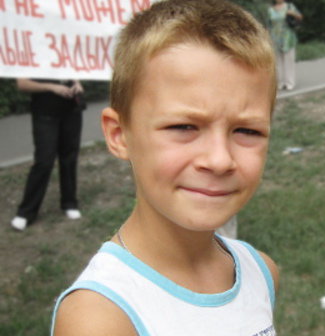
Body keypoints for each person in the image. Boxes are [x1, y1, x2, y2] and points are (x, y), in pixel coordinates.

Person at [51, 0, 279, 335]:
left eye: (247, 131)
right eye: (183, 127)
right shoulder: (101, 318)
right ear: (119, 135)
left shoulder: (261, 272)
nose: (219, 160)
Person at [10, 78, 84, 231]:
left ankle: (69, 203)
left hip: (71, 111)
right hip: (44, 114)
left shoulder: (66, 53)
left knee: (69, 159)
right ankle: (26, 212)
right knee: (44, 161)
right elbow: (22, 84)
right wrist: (52, 87)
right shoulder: (32, 55)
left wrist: (77, 84)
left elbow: (76, 71)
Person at [268, 0, 303, 91]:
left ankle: (290, 83)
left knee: (289, 61)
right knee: (277, 62)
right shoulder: (270, 10)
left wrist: (293, 14)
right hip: (275, 38)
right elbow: (269, 25)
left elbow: (300, 17)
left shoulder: (289, 7)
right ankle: (280, 83)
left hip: (288, 38)